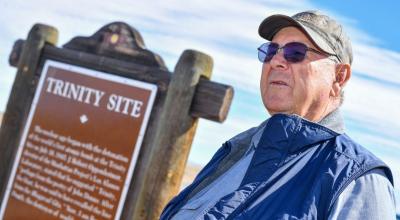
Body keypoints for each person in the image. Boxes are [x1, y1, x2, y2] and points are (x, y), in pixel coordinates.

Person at [160, 10, 396, 219]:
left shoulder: (357, 179)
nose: (276, 61)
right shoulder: (235, 150)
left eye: (296, 52)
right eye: (270, 51)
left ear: (339, 77)